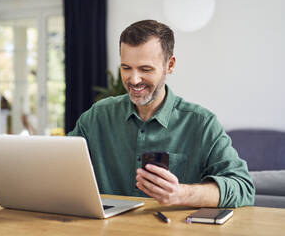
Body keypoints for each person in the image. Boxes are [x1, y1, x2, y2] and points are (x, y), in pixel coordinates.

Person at [68, 20, 255, 208]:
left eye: (145, 69)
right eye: (126, 68)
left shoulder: (201, 123)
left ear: (170, 65)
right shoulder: (97, 116)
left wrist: (182, 193)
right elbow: (59, 167)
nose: (133, 79)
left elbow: (243, 188)